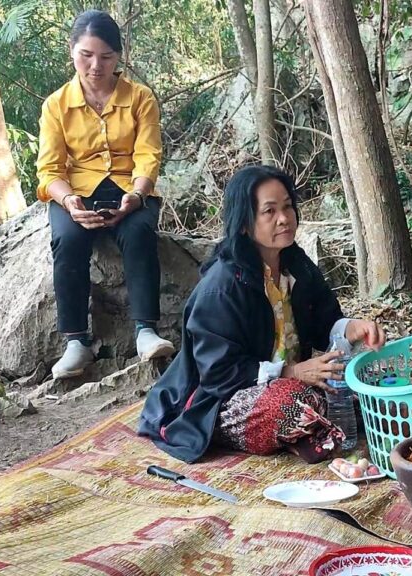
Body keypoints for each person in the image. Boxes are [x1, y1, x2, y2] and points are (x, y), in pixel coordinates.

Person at [139, 165, 386, 464]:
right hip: (222, 399)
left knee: (370, 386)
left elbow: (325, 321)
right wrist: (292, 372)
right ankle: (305, 427)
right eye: (269, 211)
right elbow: (219, 373)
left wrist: (351, 328)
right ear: (244, 223)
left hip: (296, 382)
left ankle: (311, 429)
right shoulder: (222, 287)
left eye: (287, 206)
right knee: (292, 405)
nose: (284, 218)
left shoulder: (296, 263)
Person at [36, 10, 173, 379]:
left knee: (139, 231)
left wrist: (137, 195)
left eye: (106, 57)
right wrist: (69, 202)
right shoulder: (56, 105)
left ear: (118, 57)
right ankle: (76, 342)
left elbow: (148, 154)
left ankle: (145, 331)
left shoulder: (141, 98)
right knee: (67, 240)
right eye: (86, 55)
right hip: (77, 190)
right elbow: (50, 170)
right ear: (71, 51)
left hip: (130, 186)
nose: (96, 66)